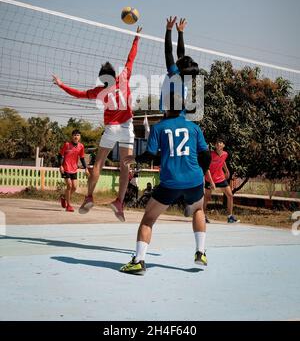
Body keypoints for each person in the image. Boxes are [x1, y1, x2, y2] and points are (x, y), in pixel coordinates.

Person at [52, 26, 142, 221]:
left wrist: (61, 84)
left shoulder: (98, 91)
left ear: (102, 79)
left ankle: (89, 197)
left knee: (98, 163)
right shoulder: (124, 78)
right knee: (125, 166)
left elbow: (78, 94)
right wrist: (136, 38)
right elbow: (130, 58)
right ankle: (119, 202)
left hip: (111, 129)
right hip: (127, 127)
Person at [119, 93, 211, 275]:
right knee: (199, 210)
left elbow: (151, 154)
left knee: (148, 219)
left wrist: (135, 158)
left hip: (170, 183)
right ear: (183, 108)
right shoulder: (194, 127)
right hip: (194, 180)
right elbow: (206, 155)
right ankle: (200, 253)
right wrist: (201, 174)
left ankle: (139, 261)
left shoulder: (159, 127)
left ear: (166, 108)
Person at [160, 16, 200, 114]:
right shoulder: (186, 75)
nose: (179, 57)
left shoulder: (174, 73)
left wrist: (169, 30)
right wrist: (180, 32)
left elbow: (168, 52)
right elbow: (181, 53)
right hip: (182, 114)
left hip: (168, 113)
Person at [204, 137, 240, 223]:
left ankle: (230, 217)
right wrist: (211, 181)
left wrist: (227, 170)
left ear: (223, 145)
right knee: (207, 197)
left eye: (220, 142)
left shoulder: (225, 154)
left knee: (230, 195)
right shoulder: (210, 155)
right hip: (210, 178)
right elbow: (207, 169)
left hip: (220, 178)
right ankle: (202, 216)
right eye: (217, 142)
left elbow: (223, 161)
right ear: (215, 145)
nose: (218, 144)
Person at [58, 129, 89, 212]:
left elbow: (82, 158)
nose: (76, 136)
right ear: (72, 136)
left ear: (80, 137)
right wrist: (60, 166)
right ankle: (68, 205)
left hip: (74, 169)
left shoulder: (81, 146)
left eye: (78, 135)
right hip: (65, 168)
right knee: (69, 185)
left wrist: (85, 168)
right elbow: (60, 155)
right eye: (74, 135)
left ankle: (64, 197)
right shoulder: (67, 145)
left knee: (74, 187)